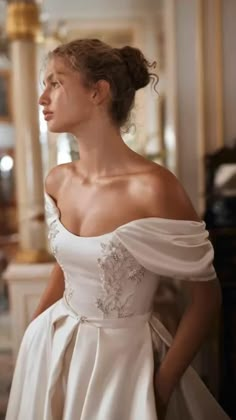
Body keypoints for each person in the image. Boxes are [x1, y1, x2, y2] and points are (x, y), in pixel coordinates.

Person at [6, 39, 230, 420]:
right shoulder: (58, 181)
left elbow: (206, 301)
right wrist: (33, 337)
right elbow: (67, 266)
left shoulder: (155, 188)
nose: (42, 97)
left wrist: (159, 387)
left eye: (56, 83)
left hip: (123, 366)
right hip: (52, 348)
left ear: (98, 92)